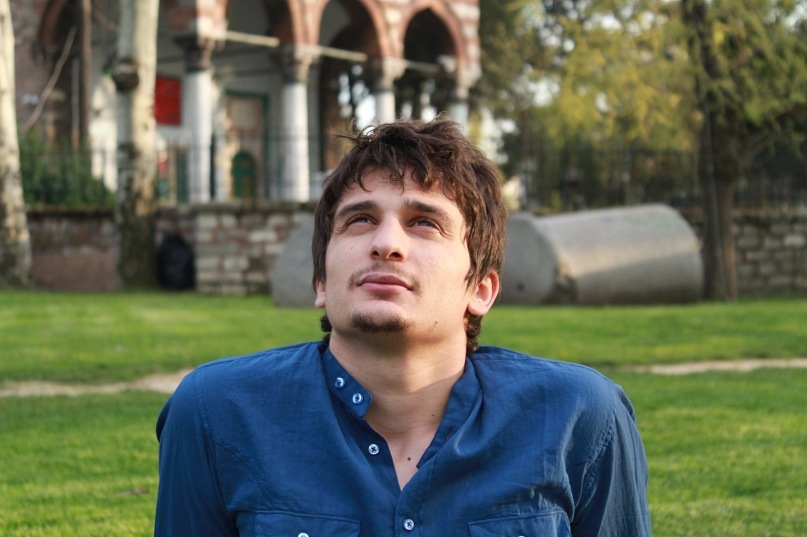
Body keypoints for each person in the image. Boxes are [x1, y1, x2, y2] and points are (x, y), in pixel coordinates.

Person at [155, 117, 652, 536]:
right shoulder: (215, 414)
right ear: (321, 281)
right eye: (360, 220)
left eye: (424, 222)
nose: (386, 243)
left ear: (481, 290)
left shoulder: (579, 418)